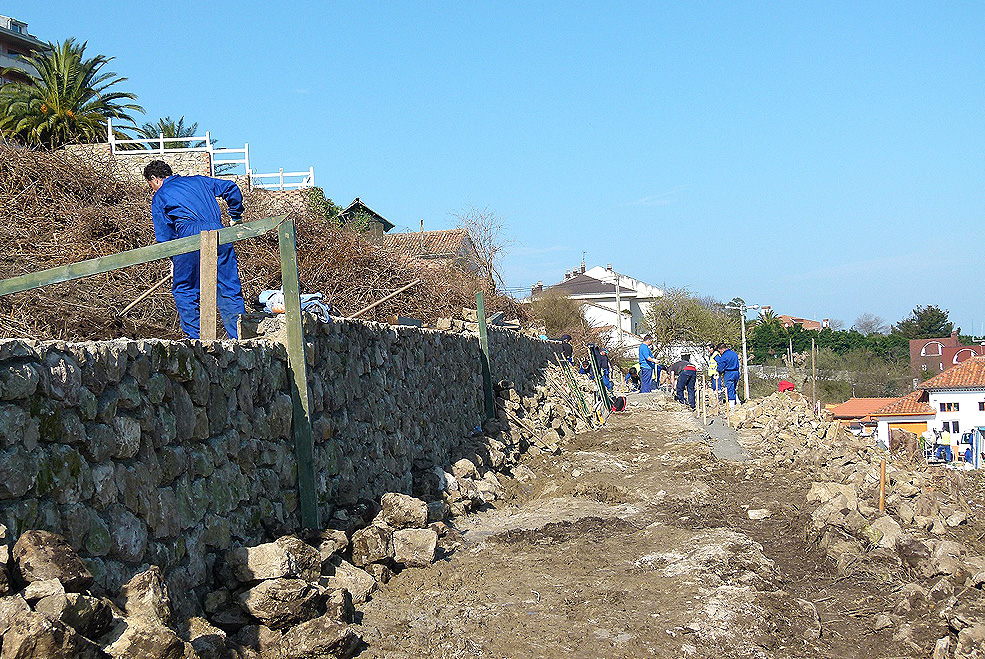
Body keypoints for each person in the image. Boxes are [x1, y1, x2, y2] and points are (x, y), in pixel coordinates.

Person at [144, 160, 247, 339]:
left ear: (155, 179)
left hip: (188, 238)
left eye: (151, 185)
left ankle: (197, 339)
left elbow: (164, 237)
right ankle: (239, 337)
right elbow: (231, 188)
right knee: (228, 287)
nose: (153, 189)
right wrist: (235, 215)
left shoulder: (160, 196)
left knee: (185, 288)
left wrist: (174, 258)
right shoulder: (199, 181)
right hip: (219, 235)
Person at [715, 342, 742, 407]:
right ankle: (738, 402)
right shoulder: (734, 354)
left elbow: (721, 366)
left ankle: (731, 405)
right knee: (734, 388)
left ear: (722, 349)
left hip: (729, 373)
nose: (720, 353)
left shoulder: (725, 356)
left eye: (720, 351)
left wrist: (718, 371)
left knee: (729, 388)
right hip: (736, 372)